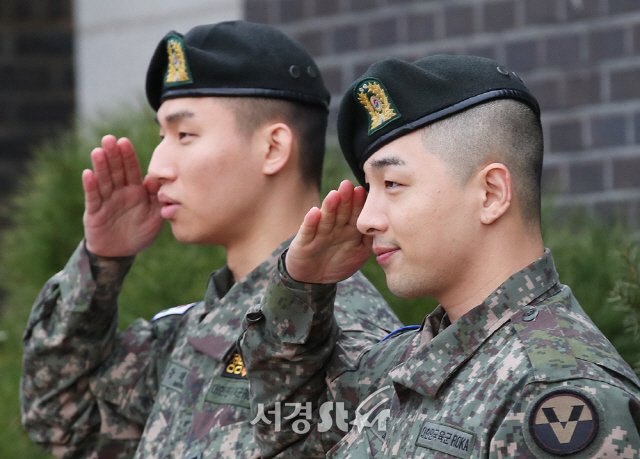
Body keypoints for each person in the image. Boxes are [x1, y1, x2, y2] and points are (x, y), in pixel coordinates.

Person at [20, 21, 402, 459]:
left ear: (273, 148)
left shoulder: (344, 337)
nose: (157, 166)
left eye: (185, 135)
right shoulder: (193, 331)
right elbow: (62, 421)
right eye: (162, 136)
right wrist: (99, 265)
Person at [240, 54, 640, 458]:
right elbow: (286, 436)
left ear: (491, 194)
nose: (366, 219)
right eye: (368, 187)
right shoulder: (409, 363)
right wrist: (302, 287)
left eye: (392, 183)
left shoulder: (555, 396)